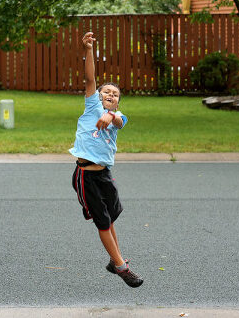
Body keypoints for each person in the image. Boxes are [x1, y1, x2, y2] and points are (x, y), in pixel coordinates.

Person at [70, 31, 143, 288]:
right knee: (102, 221)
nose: (111, 94)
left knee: (111, 217)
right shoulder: (92, 107)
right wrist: (89, 50)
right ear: (98, 96)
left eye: (115, 94)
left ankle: (115, 260)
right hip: (86, 175)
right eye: (106, 92)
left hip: (104, 175)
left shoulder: (118, 117)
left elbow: (120, 121)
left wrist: (111, 116)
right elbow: (90, 78)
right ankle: (122, 267)